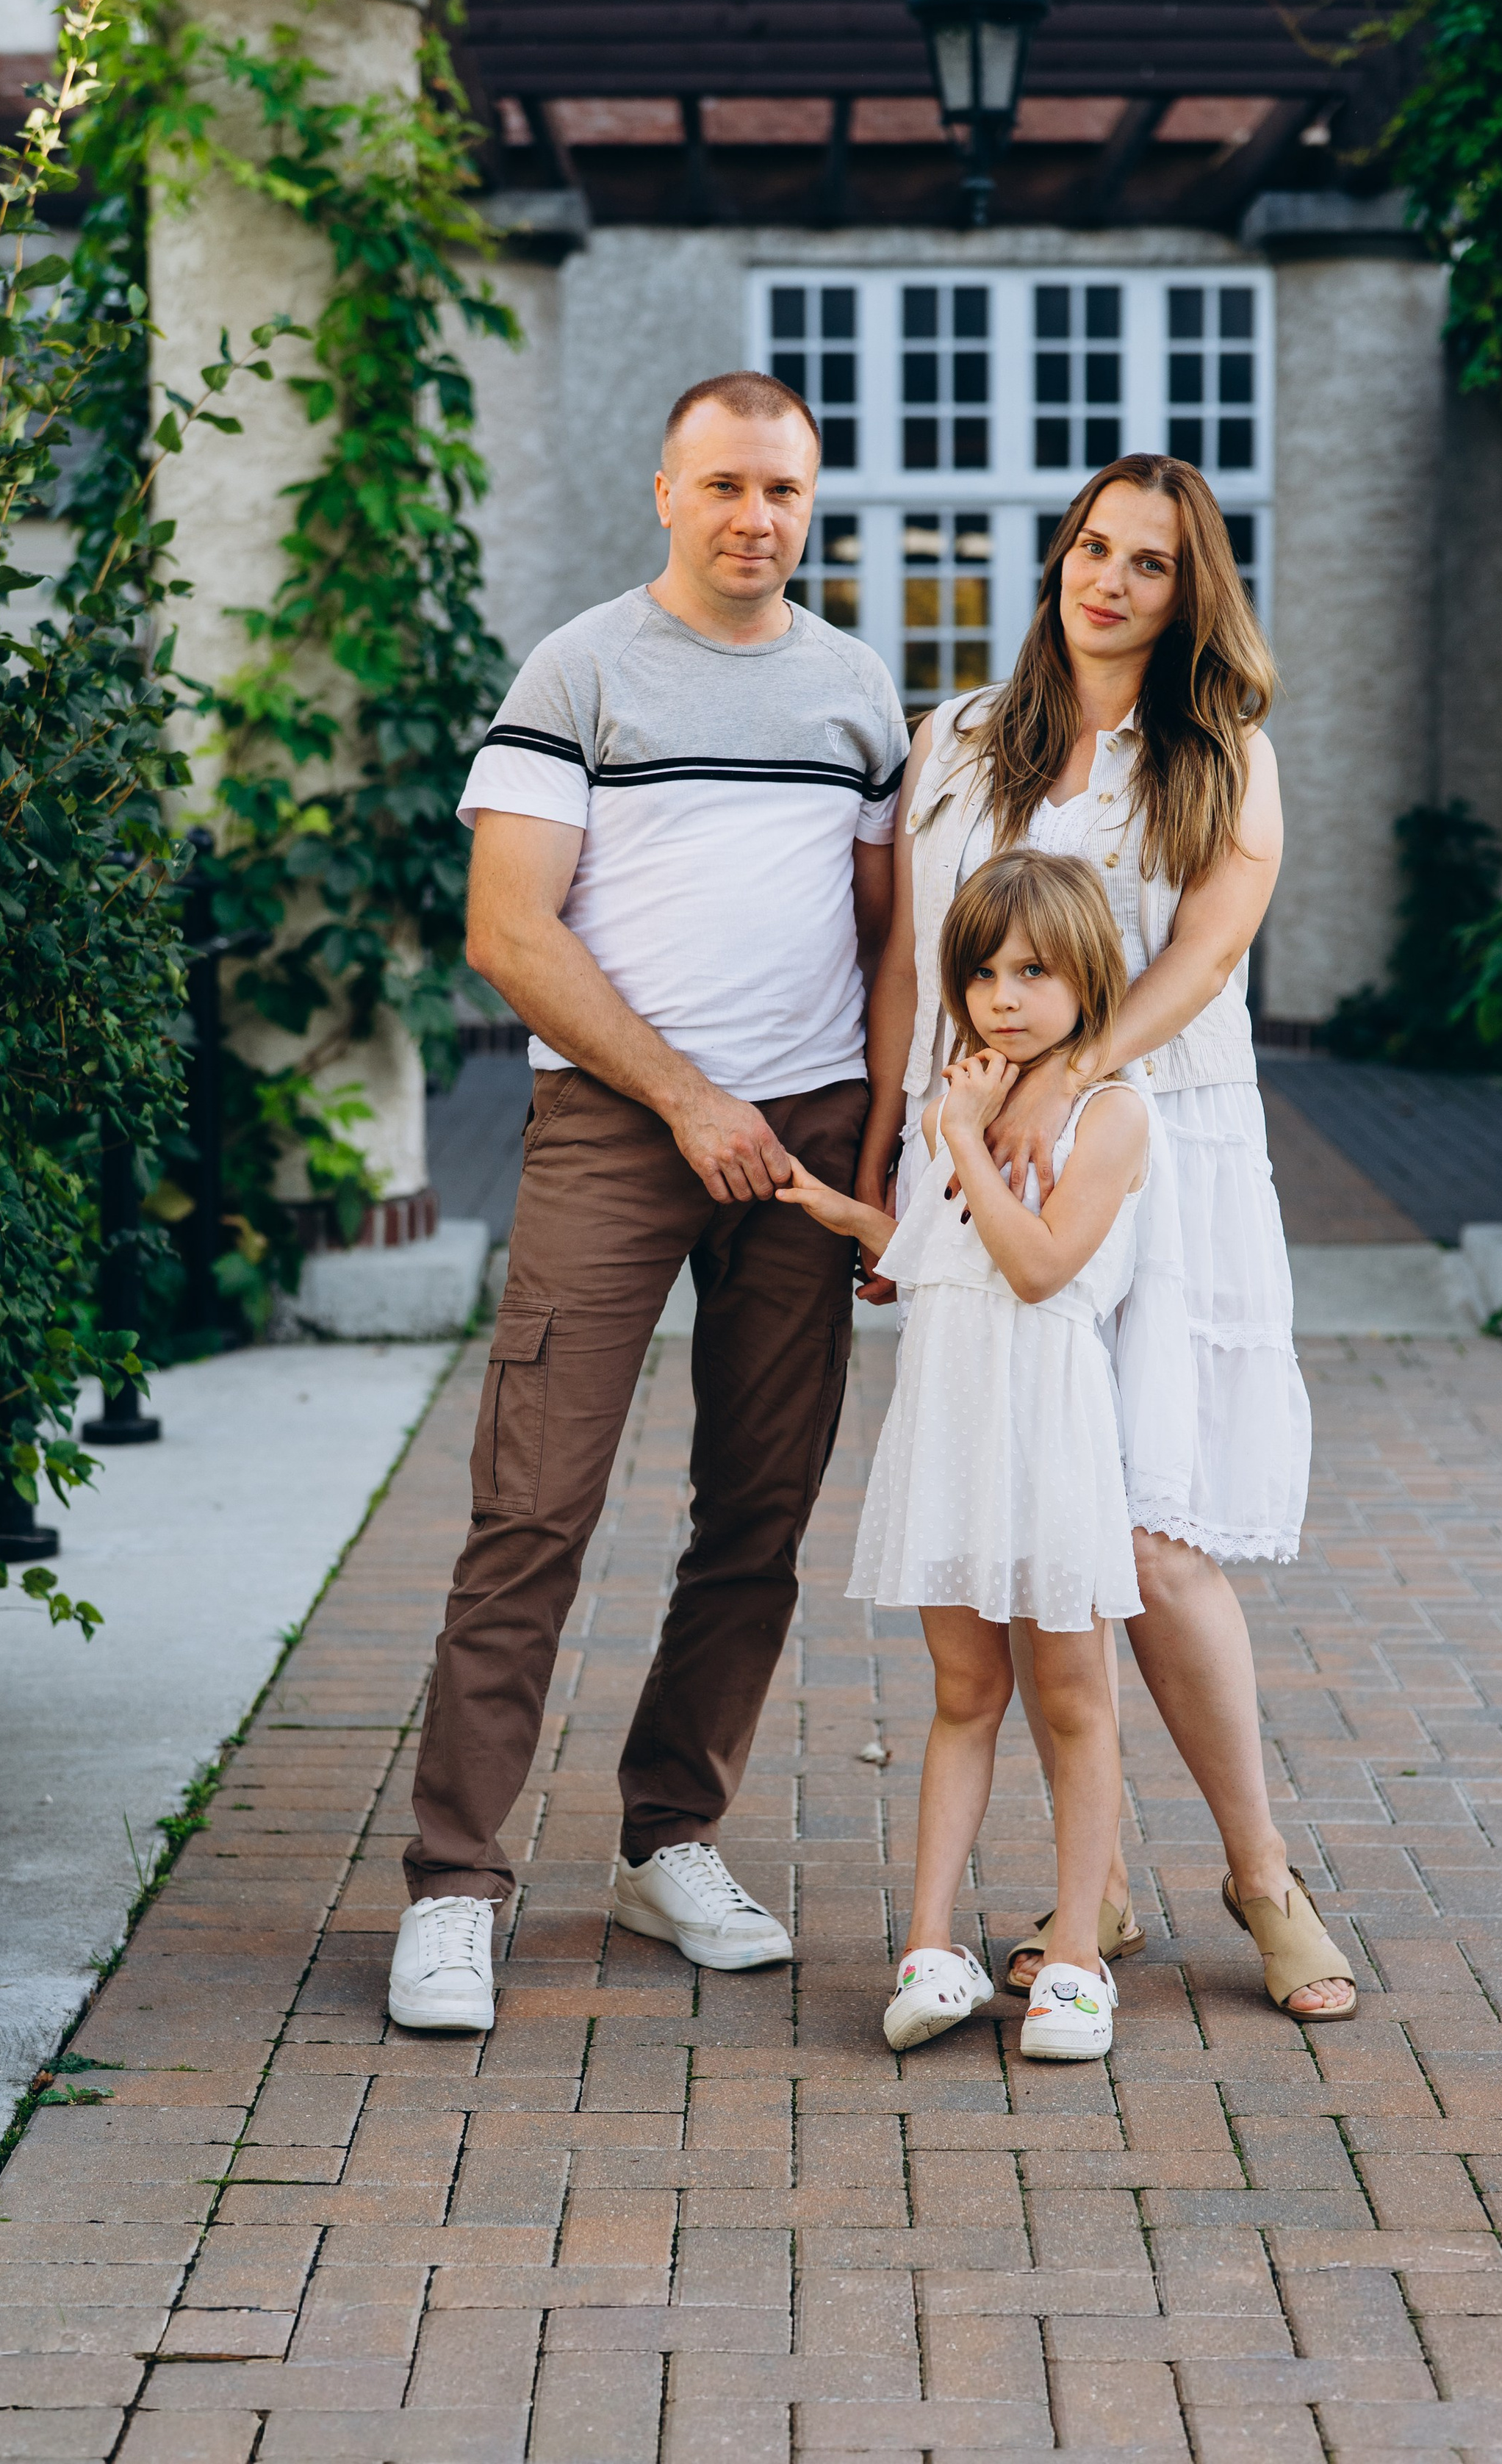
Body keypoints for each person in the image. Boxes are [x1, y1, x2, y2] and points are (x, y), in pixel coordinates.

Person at [388, 371, 908, 2035]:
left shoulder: (851, 690)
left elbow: (889, 938)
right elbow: (509, 934)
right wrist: (687, 1099)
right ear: (665, 494)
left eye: (784, 493)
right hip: (619, 1133)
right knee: (531, 1508)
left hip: (810, 1142)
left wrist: (880, 1158)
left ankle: (666, 1839)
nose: (757, 518)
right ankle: (456, 1884)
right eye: (726, 488)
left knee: (756, 1515)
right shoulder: (581, 667)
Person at [857, 453, 1357, 2025]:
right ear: (1056, 561)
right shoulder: (953, 742)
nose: (1108, 579)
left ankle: (1259, 1875)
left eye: (1147, 560)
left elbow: (1203, 957)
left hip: (1164, 1141)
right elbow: (904, 966)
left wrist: (1062, 1081)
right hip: (973, 1161)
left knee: (1148, 1537)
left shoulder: (1221, 756)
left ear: (1187, 590)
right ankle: (1101, 1893)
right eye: (1089, 547)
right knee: (1038, 1529)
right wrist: (896, 1140)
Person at [779, 849, 1154, 2061]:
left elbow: (1040, 1267)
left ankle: (1082, 1960)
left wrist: (965, 1136)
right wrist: (857, 1216)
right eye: (983, 970)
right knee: (960, 1696)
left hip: (1043, 1433)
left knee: (1074, 1696)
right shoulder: (969, 1097)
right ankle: (930, 1944)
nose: (1004, 995)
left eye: (1034, 971)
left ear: (1088, 977)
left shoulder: (1109, 1114)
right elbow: (949, 1256)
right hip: (950, 1425)